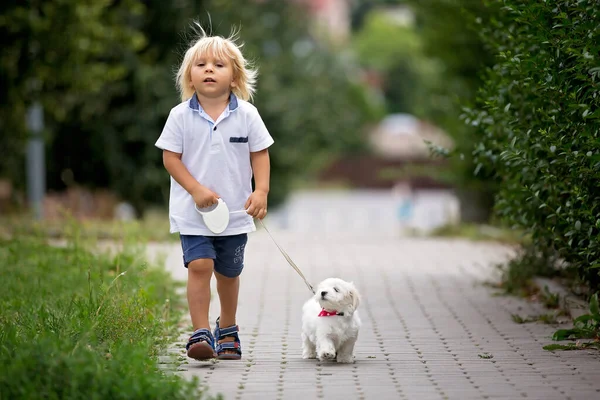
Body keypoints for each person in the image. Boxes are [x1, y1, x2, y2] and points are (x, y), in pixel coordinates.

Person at [155, 26, 273, 361]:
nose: (209, 69)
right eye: (201, 64)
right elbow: (170, 158)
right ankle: (200, 332)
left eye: (219, 65)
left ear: (235, 78)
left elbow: (260, 153)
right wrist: (194, 189)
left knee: (229, 273)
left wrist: (261, 190)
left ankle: (229, 329)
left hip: (235, 213)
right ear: (190, 77)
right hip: (192, 212)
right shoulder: (179, 116)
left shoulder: (247, 115)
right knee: (200, 266)